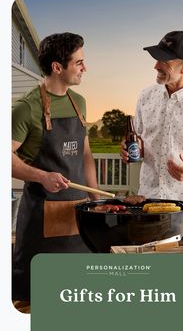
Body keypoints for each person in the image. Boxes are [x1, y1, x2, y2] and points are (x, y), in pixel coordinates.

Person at [12, 32, 99, 306]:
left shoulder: (79, 102)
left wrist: (96, 198)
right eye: (79, 62)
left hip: (79, 221)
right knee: (36, 301)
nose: (85, 68)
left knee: (80, 298)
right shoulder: (26, 107)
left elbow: (85, 154)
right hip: (40, 224)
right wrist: (42, 176)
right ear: (57, 67)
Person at [120, 30, 183, 237]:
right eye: (157, 59)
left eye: (164, 61)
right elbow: (139, 140)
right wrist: (131, 149)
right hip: (148, 207)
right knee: (150, 269)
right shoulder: (145, 97)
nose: (156, 66)